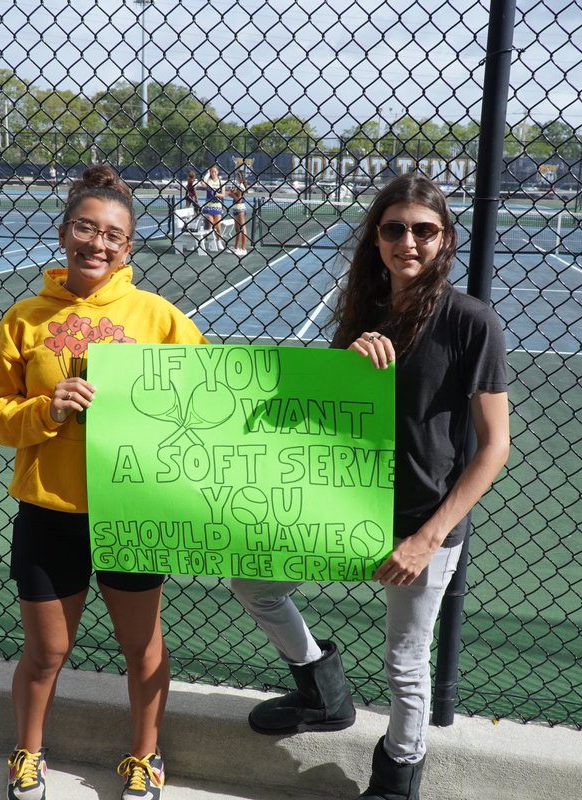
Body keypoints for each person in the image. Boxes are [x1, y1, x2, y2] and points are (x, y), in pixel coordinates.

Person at [229, 172, 511, 800]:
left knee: (406, 664)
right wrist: (348, 359)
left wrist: (427, 539)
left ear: (444, 239)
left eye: (423, 230)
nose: (407, 241)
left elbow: (493, 446)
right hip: (343, 504)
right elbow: (328, 410)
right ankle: (322, 690)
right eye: (393, 229)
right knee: (252, 581)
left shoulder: (471, 322)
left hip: (419, 521)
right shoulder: (358, 311)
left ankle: (398, 775)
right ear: (376, 239)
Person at [0, 164, 208, 800]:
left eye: (113, 235)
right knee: (46, 653)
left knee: (142, 648)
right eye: (86, 228)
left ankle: (145, 757)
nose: (97, 244)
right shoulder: (25, 318)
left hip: (131, 509)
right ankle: (27, 753)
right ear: (64, 232)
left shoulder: (159, 318)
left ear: (128, 247)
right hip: (50, 511)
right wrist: (44, 410)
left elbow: (213, 399)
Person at [229, 181, 248, 256]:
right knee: (238, 229)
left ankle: (243, 249)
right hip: (236, 208)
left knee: (242, 229)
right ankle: (237, 248)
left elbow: (239, 200)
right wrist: (232, 193)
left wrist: (232, 194)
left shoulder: (241, 185)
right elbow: (232, 195)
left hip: (240, 209)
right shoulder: (237, 185)